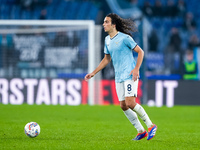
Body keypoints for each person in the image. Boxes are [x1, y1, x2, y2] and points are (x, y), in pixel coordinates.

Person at [84, 13, 157, 141]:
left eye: (106, 22)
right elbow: (107, 59)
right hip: (119, 76)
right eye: (104, 22)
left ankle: (151, 125)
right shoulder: (107, 40)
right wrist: (94, 72)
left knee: (130, 102)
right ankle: (141, 131)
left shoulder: (125, 38)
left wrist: (136, 69)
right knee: (123, 105)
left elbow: (141, 52)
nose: (103, 24)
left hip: (129, 74)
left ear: (113, 25)